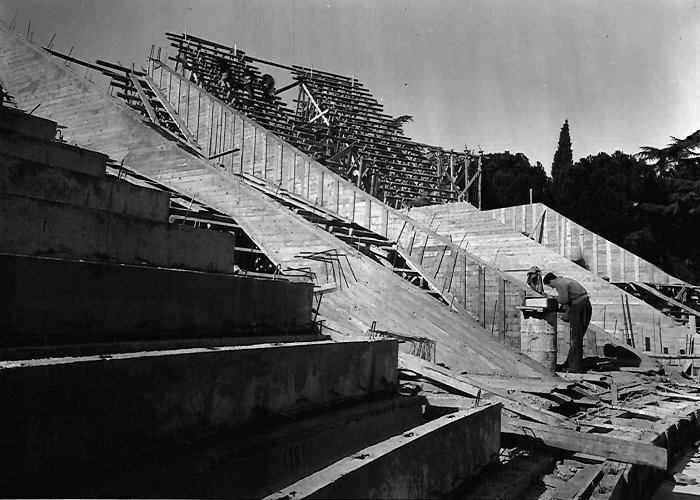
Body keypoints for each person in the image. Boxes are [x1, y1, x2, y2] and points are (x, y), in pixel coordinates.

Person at [543, 272, 592, 373]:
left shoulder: (560, 284)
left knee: (575, 338)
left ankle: (576, 367)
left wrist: (553, 298)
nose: (552, 287)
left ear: (551, 281)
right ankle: (570, 363)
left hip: (579, 306)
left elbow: (564, 299)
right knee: (576, 337)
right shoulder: (565, 280)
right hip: (584, 305)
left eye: (549, 285)